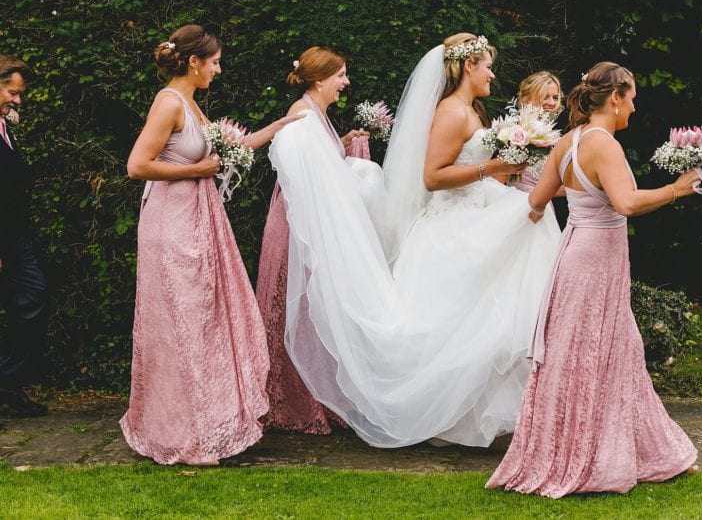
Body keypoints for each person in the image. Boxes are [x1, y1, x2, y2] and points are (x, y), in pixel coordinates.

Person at [270, 33, 561, 448]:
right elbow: (433, 177)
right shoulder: (451, 112)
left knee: (507, 278)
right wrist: (496, 164)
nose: (492, 73)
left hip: (475, 212)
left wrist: (510, 167)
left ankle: (468, 413)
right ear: (467, 68)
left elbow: (480, 169)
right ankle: (434, 411)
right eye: (486, 65)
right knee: (458, 326)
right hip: (450, 225)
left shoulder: (470, 111)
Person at [487, 62, 699, 498]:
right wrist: (677, 189)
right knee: (594, 351)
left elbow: (537, 198)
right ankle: (590, 457)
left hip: (573, 254)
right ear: (615, 97)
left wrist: (581, 191)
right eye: (633, 98)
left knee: (593, 350)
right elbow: (625, 203)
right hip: (596, 260)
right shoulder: (604, 144)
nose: (635, 108)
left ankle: (628, 450)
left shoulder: (567, 141)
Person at [120, 24, 298, 465]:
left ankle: (207, 424)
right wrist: (197, 171)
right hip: (171, 224)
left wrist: (282, 124)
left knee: (203, 325)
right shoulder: (168, 103)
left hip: (199, 221)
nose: (219, 69)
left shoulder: (193, 107)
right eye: (214, 62)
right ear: (193, 62)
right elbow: (137, 165)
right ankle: (182, 432)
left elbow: (234, 149)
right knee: (183, 324)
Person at [255, 46, 370, 434]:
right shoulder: (301, 116)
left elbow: (322, 163)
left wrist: (346, 141)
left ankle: (321, 396)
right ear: (320, 79)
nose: (346, 82)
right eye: (340, 75)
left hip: (310, 222)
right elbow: (299, 177)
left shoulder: (317, 114)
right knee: (298, 303)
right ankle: (294, 400)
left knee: (314, 304)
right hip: (296, 225)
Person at [0, 54, 49, 418]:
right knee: (30, 297)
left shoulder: (4, 127)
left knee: (31, 299)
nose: (17, 101)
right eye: (11, 92)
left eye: (19, 95)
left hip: (14, 234)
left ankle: (8, 381)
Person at [509, 71, 564, 195]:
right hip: (516, 202)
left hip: (541, 204)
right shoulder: (514, 133)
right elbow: (499, 178)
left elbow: (550, 187)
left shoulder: (554, 136)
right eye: (545, 96)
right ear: (526, 100)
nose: (552, 103)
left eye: (555, 97)